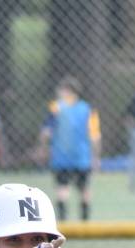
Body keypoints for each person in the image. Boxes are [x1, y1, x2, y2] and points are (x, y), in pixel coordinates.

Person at [40, 76, 101, 221]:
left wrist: (44, 148)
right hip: (82, 157)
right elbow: (95, 136)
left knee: (62, 189)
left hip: (61, 157)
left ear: (67, 90)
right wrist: (96, 157)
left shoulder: (56, 107)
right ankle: (85, 223)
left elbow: (46, 132)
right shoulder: (87, 109)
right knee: (84, 190)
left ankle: (63, 223)